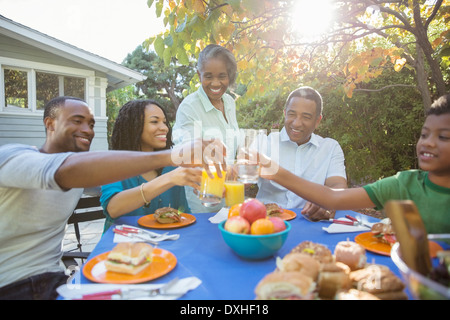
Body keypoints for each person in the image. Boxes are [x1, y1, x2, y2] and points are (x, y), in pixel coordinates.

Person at [0, 96, 225, 300]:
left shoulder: (85, 172)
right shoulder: (15, 157)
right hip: (12, 286)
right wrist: (174, 156)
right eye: (77, 121)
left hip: (56, 280)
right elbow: (107, 201)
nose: (87, 130)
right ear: (50, 124)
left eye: (90, 124)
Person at [260, 94, 450, 234]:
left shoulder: (330, 147)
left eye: (443, 137)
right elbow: (332, 198)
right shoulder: (403, 184)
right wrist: (273, 172)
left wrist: (275, 172)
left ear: (318, 121)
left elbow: (335, 190)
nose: (428, 142)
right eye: (424, 134)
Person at [100, 100, 201, 232]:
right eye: (154, 121)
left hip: (166, 243)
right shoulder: (113, 164)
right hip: (122, 245)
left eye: (164, 122)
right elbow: (113, 208)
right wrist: (169, 179)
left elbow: (183, 214)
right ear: (133, 126)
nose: (164, 127)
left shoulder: (171, 167)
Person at [256, 86, 348, 221]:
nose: (297, 123)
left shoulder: (330, 147)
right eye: (292, 114)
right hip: (266, 222)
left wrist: (327, 201)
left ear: (318, 121)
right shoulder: (263, 143)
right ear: (284, 113)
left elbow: (338, 185)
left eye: (306, 117)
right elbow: (240, 179)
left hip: (310, 222)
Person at [172, 44, 240, 213]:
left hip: (231, 193)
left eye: (222, 76)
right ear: (199, 75)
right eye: (208, 76)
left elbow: (232, 145)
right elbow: (188, 155)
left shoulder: (229, 102)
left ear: (229, 76)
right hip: (204, 197)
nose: (215, 83)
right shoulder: (189, 107)